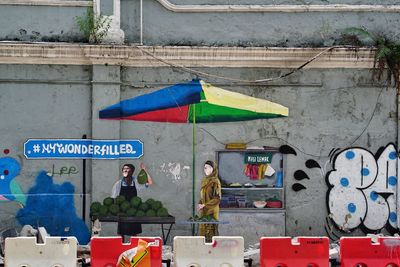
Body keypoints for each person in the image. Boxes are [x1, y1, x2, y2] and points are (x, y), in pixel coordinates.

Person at [111, 163, 153, 242]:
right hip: (122, 212)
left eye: (127, 169)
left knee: (134, 233)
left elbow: (150, 182)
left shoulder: (136, 182)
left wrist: (144, 170)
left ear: (132, 171)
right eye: (124, 169)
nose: (125, 171)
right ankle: (121, 246)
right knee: (122, 232)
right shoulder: (118, 184)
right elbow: (113, 198)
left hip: (134, 211)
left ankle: (134, 247)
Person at [197, 160, 221, 242]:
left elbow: (217, 198)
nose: (205, 170)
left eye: (207, 168)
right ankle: (204, 253)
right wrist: (200, 204)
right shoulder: (204, 181)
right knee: (203, 235)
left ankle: (213, 253)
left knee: (211, 235)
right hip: (204, 212)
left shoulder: (215, 182)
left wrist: (205, 205)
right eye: (204, 168)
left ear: (212, 169)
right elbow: (202, 196)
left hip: (212, 212)